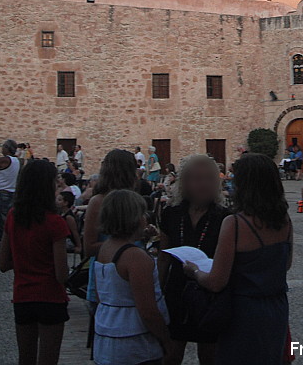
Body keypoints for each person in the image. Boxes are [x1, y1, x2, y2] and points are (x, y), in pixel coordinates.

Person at [183, 153, 292, 365]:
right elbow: (285, 264)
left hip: (243, 312)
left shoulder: (235, 224)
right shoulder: (284, 221)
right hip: (276, 308)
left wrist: (195, 272)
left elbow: (216, 282)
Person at [159, 154, 231, 365]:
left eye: (209, 178)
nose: (203, 184)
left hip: (210, 296)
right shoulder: (171, 214)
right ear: (185, 182)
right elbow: (163, 257)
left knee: (209, 356)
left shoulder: (225, 217)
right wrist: (158, 291)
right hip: (176, 292)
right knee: (171, 353)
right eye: (197, 178)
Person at [0, 159, 69, 365]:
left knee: (25, 359)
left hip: (22, 296)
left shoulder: (13, 216)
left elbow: (3, 263)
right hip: (50, 298)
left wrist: (24, 260)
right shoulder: (55, 223)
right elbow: (61, 274)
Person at [93, 189, 171, 365]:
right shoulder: (136, 257)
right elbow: (148, 310)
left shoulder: (105, 249)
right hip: (135, 344)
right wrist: (166, 339)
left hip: (107, 337)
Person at [83, 150, 139, 311]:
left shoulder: (134, 198)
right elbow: (89, 246)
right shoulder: (98, 202)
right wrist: (123, 246)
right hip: (107, 278)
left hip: (132, 276)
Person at [56, 190, 81, 255]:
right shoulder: (60, 213)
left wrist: (78, 246)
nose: (56, 201)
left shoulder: (68, 217)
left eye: (59, 200)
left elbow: (74, 232)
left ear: (65, 203)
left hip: (69, 241)